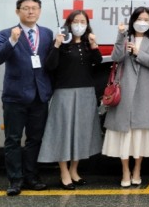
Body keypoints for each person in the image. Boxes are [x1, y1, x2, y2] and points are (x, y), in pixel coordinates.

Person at [0, 0, 53, 196]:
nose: (30, 11)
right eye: (25, 8)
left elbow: (50, 63)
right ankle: (15, 180)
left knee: (35, 139)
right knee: (13, 139)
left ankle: (31, 176)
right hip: (15, 97)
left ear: (40, 11)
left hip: (39, 96)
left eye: (34, 8)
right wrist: (12, 41)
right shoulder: (6, 33)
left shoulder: (46, 34)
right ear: (18, 11)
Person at [38, 10, 103, 190]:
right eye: (76, 21)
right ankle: (64, 172)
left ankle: (74, 170)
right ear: (69, 23)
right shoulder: (61, 42)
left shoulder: (87, 43)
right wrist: (57, 45)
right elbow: (50, 65)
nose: (79, 25)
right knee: (63, 132)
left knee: (81, 133)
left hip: (86, 92)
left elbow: (97, 62)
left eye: (83, 21)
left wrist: (94, 44)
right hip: (64, 92)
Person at [102, 7, 149, 187]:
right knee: (124, 134)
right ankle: (125, 171)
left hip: (144, 94)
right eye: (139, 19)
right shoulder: (126, 37)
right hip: (124, 93)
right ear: (133, 20)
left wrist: (138, 53)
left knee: (140, 134)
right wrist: (121, 36)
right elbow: (116, 57)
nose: (142, 22)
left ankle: (137, 169)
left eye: (146, 19)